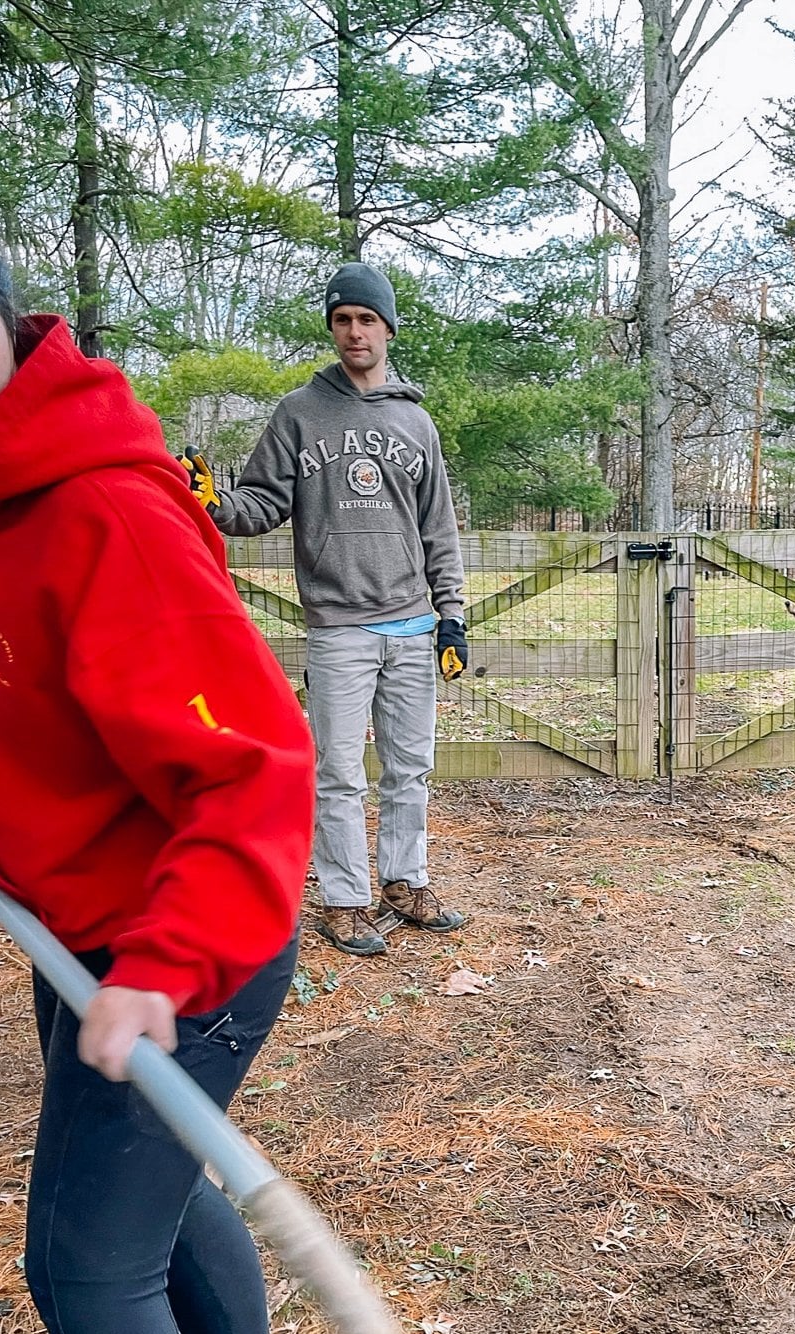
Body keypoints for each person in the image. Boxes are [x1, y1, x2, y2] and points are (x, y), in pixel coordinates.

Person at [0, 193, 317, 1334]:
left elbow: (255, 770)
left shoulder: (103, 511)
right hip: (80, 928)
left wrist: (162, 961)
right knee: (142, 1193)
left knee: (82, 1259)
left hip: (189, 940)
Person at [186, 260, 469, 958]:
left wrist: (451, 616)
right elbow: (262, 502)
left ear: (388, 328)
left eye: (367, 319)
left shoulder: (415, 422)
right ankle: (344, 900)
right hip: (339, 629)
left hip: (411, 625)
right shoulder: (299, 413)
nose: (354, 332)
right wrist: (214, 504)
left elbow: (439, 529)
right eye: (342, 320)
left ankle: (405, 882)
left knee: (410, 769)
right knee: (338, 774)